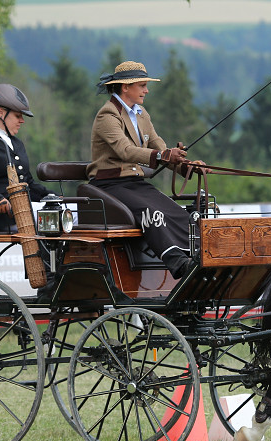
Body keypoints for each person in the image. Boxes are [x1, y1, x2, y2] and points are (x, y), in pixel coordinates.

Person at [88, 60, 205, 279]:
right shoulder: (107, 115)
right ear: (125, 87)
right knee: (153, 213)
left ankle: (198, 255)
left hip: (134, 183)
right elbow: (125, 150)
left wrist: (187, 167)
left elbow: (159, 145)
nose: (146, 90)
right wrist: (161, 156)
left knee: (177, 213)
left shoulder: (141, 114)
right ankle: (177, 262)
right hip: (108, 185)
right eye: (142, 85)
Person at [0, 84, 54, 232]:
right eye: (17, 116)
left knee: (70, 211)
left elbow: (28, 183)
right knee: (58, 217)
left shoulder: (17, 143)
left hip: (26, 209)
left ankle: (57, 255)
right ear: (1, 113)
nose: (22, 120)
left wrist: (51, 196)